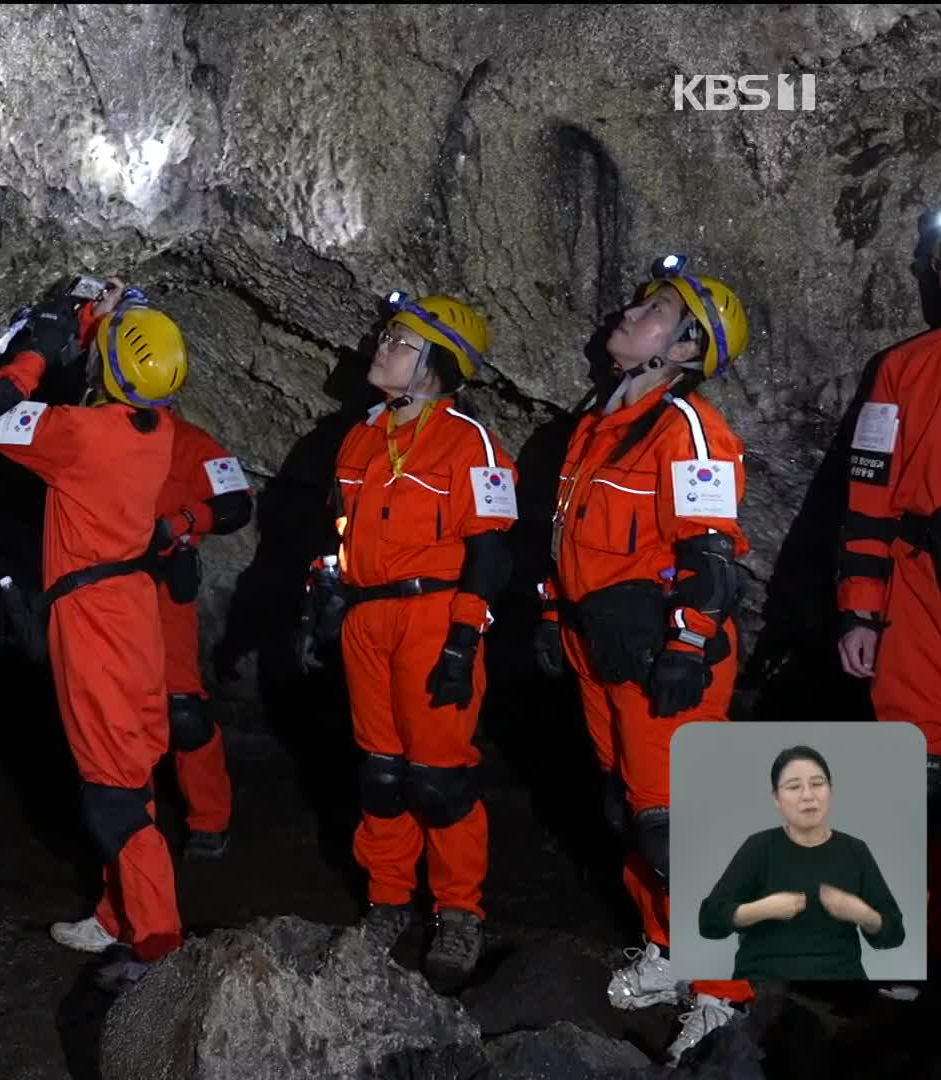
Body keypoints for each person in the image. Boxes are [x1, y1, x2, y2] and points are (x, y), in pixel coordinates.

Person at [532, 256, 757, 1062]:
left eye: (657, 308)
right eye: (639, 299)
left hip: (665, 653)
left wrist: (690, 642)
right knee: (630, 811)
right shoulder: (599, 424)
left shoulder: (686, 426)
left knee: (677, 830)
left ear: (687, 349)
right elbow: (572, 539)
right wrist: (555, 614)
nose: (632, 312)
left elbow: (711, 553)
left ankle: (723, 993)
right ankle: (669, 950)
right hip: (604, 649)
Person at [297, 292, 517, 990]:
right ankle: (389, 901)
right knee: (382, 774)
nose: (382, 346)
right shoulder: (360, 439)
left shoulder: (468, 440)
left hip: (434, 617)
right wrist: (325, 595)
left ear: (436, 365)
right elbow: (338, 532)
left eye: (400, 340)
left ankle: (458, 912)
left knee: (439, 780)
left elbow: (491, 550)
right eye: (388, 335)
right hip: (368, 619)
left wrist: (464, 638)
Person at [0, 275, 188, 992]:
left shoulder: (83, 435)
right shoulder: (156, 430)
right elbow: (125, 378)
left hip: (94, 623)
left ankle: (159, 945)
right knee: (133, 770)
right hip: (131, 610)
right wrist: (108, 317)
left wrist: (38, 350)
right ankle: (118, 911)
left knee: (112, 795)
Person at [835, 192, 941, 980]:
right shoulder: (902, 367)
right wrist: (860, 609)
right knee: (917, 777)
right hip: (921, 590)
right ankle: (911, 948)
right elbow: (868, 495)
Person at [698, 745, 906, 981]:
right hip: (766, 984)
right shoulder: (759, 847)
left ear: (830, 790)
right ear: (776, 798)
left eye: (818, 784)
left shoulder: (855, 850)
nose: (808, 795)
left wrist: (864, 914)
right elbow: (708, 922)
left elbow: (894, 933)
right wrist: (762, 909)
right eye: (794, 787)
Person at [151, 410, 254, 860]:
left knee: (184, 713)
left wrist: (183, 521)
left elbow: (235, 503)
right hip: (101, 592)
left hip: (161, 592)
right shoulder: (85, 428)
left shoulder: (188, 441)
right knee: (110, 712)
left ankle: (208, 821)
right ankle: (130, 825)